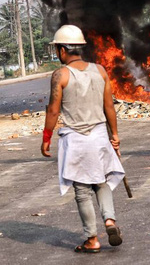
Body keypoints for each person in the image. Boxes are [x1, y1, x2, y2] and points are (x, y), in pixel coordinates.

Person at [41, 25, 125, 254]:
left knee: (82, 190)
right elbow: (109, 107)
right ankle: (109, 220)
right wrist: (114, 136)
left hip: (76, 140)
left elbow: (53, 111)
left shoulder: (61, 74)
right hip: (99, 136)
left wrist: (46, 138)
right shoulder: (100, 70)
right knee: (102, 181)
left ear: (61, 50)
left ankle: (92, 239)